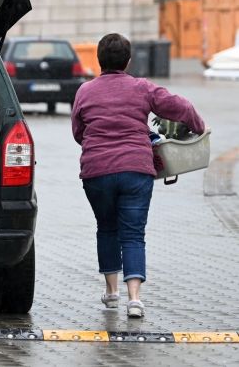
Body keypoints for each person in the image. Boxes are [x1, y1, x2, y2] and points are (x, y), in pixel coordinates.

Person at [71, 33, 205, 318]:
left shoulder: (85, 91)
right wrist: (198, 127)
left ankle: (111, 292)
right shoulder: (142, 88)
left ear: (98, 60)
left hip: (97, 172)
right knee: (133, 234)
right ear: (128, 61)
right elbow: (182, 107)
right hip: (136, 170)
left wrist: (98, 145)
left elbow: (78, 133)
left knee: (106, 228)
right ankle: (135, 299)